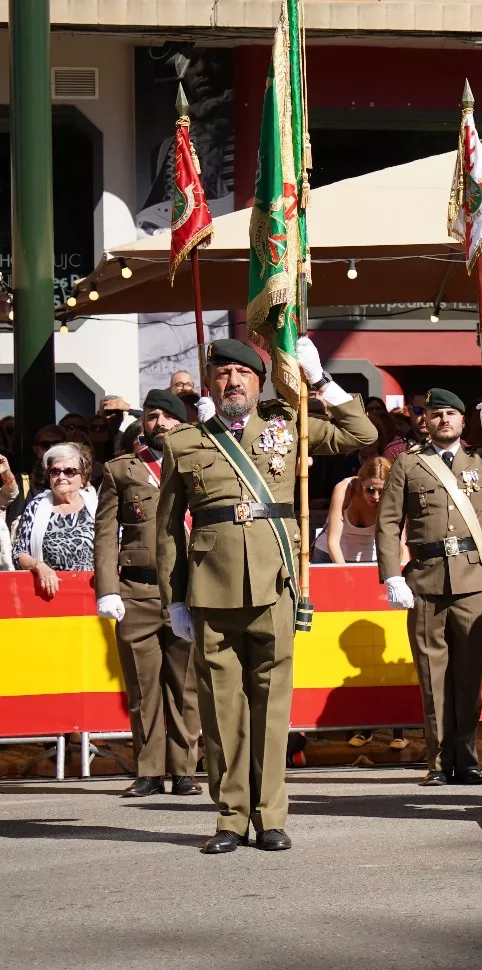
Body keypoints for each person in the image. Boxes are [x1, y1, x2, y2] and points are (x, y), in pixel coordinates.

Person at [157, 337, 377, 853]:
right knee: (221, 709)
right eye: (222, 374)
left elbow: (362, 433)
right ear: (209, 383)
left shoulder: (288, 426)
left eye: (243, 374)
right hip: (211, 587)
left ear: (260, 382)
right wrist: (175, 598)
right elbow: (167, 529)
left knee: (272, 706)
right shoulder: (185, 443)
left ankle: (270, 816)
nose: (232, 382)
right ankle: (230, 818)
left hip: (275, 583)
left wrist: (320, 381)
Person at [379, 389, 482, 785]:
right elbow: (388, 523)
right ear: (425, 422)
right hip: (425, 578)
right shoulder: (408, 463)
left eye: (451, 413)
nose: (444, 420)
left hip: (471, 579)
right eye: (436, 414)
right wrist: (392, 575)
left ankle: (466, 758)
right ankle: (437, 762)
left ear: (464, 421)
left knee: (468, 674)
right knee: (433, 675)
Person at [93, 390, 201, 798]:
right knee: (143, 688)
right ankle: (150, 771)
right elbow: (106, 534)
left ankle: (185, 770)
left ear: (181, 423)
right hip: (137, 589)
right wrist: (108, 589)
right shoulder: (122, 470)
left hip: (187, 589)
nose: (159, 424)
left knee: (185, 687)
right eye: (152, 417)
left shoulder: (199, 462)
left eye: (166, 417)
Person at [14, 442, 97, 593]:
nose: (61, 477)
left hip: (91, 592)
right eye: (55, 471)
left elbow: (114, 548)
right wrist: (39, 567)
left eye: (69, 471)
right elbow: (18, 553)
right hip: (49, 593)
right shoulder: (35, 507)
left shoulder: (97, 507)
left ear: (83, 477)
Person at [313, 456, 390, 564]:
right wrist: (345, 571)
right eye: (370, 490)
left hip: (369, 558)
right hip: (329, 554)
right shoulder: (344, 489)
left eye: (381, 491)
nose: (376, 497)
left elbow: (400, 543)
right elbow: (333, 542)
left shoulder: (393, 496)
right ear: (361, 481)